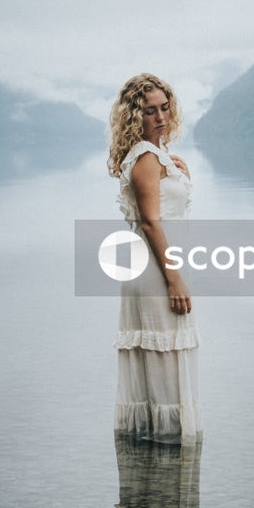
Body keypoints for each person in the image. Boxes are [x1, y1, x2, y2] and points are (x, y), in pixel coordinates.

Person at [107, 73, 201, 443]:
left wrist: (181, 175)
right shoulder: (146, 158)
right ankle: (165, 461)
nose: (160, 117)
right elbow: (149, 222)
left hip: (158, 266)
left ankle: (151, 476)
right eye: (149, 111)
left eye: (164, 108)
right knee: (165, 369)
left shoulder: (157, 156)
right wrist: (174, 278)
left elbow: (167, 210)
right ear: (134, 116)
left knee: (164, 367)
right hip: (155, 271)